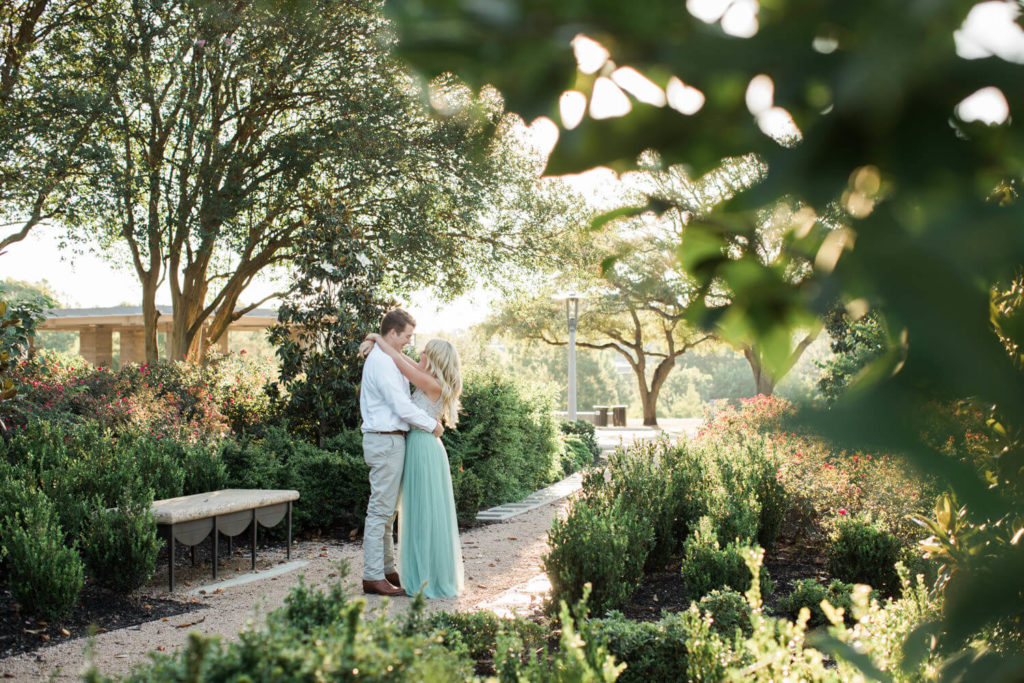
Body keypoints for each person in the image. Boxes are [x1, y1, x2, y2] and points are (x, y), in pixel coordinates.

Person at [361, 333, 465, 598]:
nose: (418, 355)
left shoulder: (430, 383)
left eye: (424, 354)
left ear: (433, 361)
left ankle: (427, 577)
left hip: (423, 448)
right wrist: (380, 343)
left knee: (422, 513)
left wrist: (376, 337)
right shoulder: (431, 380)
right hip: (421, 446)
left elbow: (398, 359)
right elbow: (402, 358)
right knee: (420, 512)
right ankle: (421, 572)